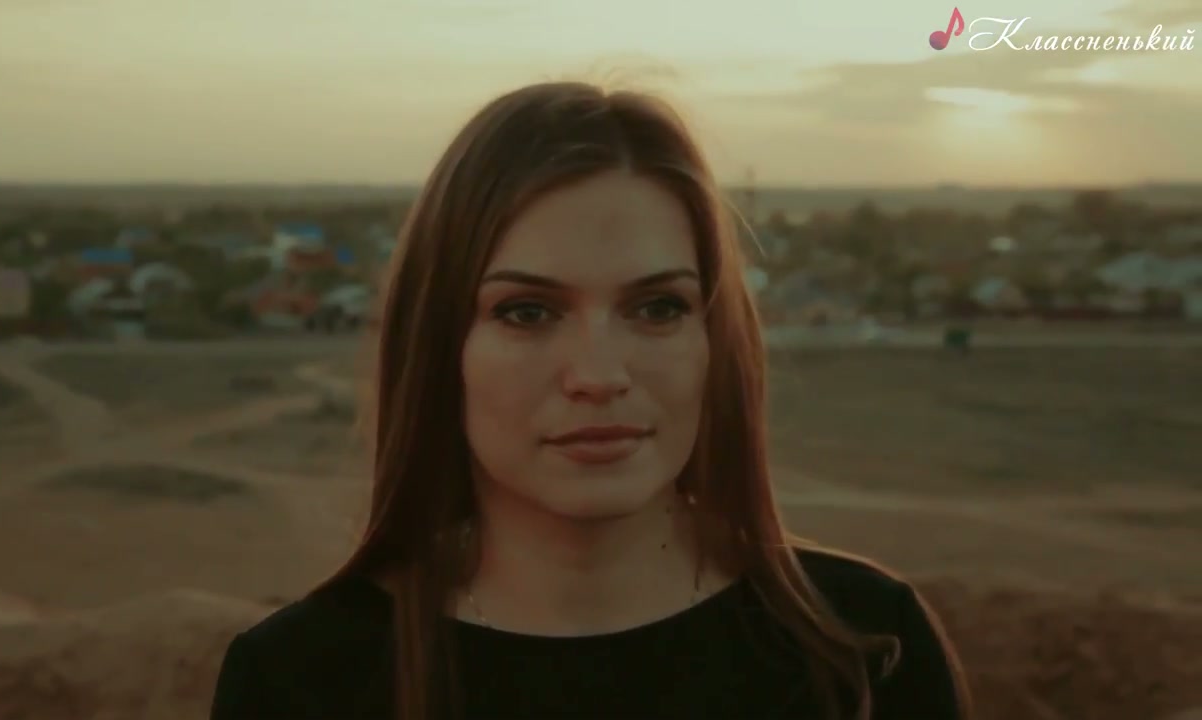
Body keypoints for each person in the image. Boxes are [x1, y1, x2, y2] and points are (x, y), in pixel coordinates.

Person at [210, 81, 971, 720]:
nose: (599, 375)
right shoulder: (304, 681)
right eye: (527, 312)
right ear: (441, 348)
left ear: (715, 343)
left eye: (658, 308)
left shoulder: (866, 652)